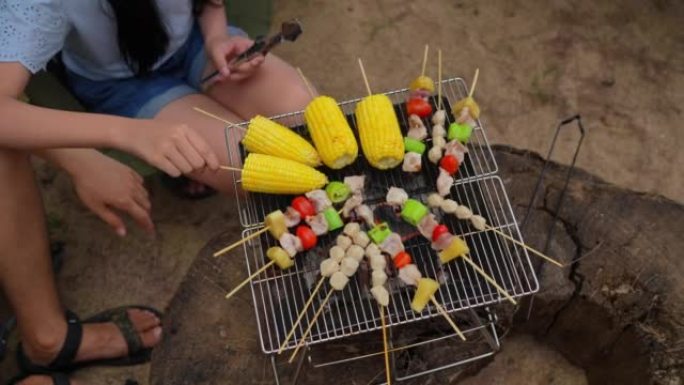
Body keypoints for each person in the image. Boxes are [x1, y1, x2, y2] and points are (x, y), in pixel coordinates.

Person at [0, 0, 312, 383]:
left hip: (196, 46)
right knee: (249, 166)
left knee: (303, 115)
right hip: (121, 84)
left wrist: (216, 34)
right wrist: (123, 136)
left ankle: (187, 164)